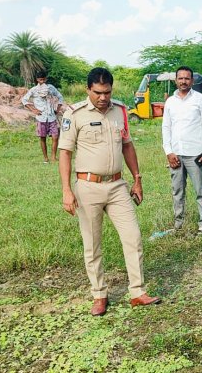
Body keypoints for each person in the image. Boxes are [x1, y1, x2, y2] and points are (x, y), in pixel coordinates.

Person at [58, 67, 160, 316]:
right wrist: (66, 190)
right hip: (88, 187)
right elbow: (65, 153)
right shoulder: (75, 114)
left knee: (133, 237)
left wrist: (137, 179)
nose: (103, 98)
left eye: (107, 92)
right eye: (97, 93)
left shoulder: (120, 111)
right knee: (92, 245)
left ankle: (137, 292)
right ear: (88, 90)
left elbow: (127, 146)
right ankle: (99, 295)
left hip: (117, 187)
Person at [161, 66, 202, 233]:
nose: (183, 81)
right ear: (176, 80)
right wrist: (168, 152)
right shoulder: (170, 101)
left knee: (200, 190)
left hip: (196, 153)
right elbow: (166, 127)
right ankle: (178, 224)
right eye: (180, 78)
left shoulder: (201, 99)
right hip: (175, 154)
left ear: (192, 80)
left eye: (187, 78)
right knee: (177, 190)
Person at [22, 70, 68, 163]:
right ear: (37, 80)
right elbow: (24, 100)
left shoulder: (50, 88)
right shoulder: (34, 90)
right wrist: (34, 110)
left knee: (55, 137)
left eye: (43, 79)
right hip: (41, 117)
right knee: (43, 138)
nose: (42, 81)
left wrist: (58, 109)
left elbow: (60, 97)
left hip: (52, 116)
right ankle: (46, 158)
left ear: (46, 79)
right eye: (40, 80)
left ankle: (54, 157)